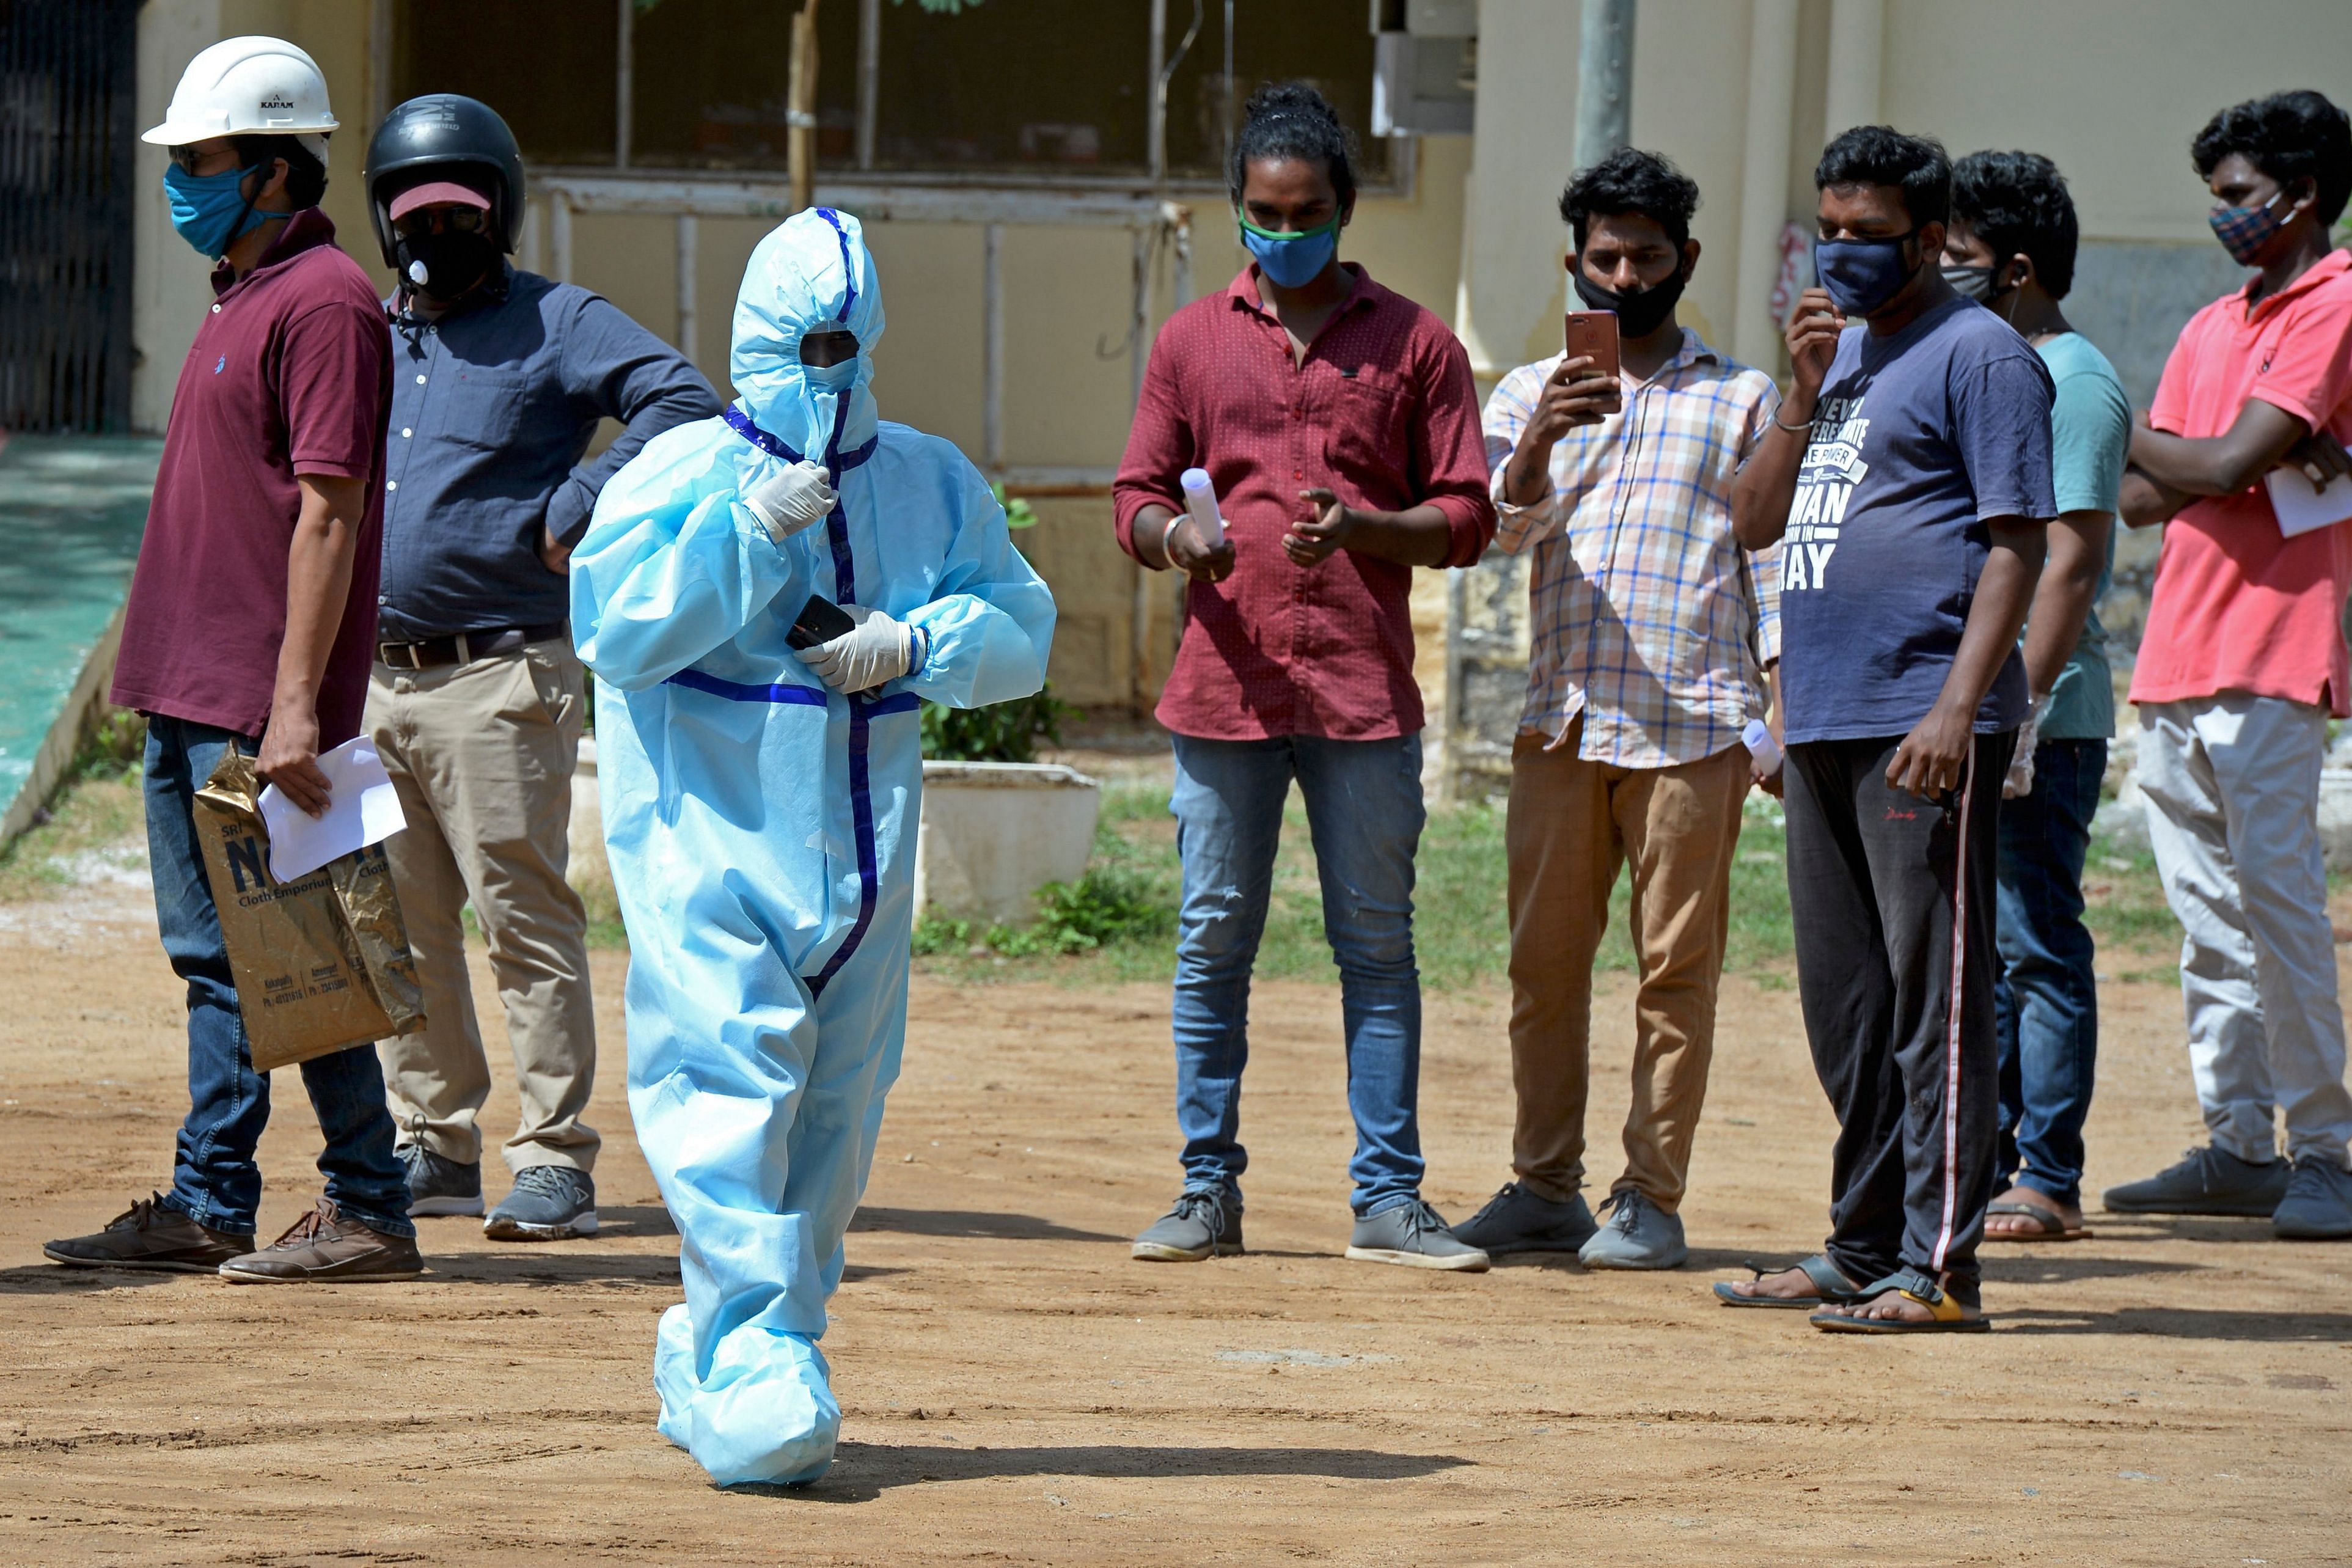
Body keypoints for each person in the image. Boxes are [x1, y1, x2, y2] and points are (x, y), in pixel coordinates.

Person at [571, 207, 1054, 1486]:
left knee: (835, 1121)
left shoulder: (926, 477)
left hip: (864, 868)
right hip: (712, 857)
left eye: (847, 341)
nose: (828, 368)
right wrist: (742, 531)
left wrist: (919, 643)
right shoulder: (673, 475)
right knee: (728, 1098)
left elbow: (1023, 628)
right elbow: (612, 627)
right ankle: (754, 1358)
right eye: (806, 342)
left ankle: (730, 1347)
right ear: (755, 339)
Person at [43, 38, 418, 1282]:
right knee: (226, 958)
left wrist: (295, 707)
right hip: (190, 690)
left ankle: (371, 1200)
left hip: (257, 705)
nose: (180, 182)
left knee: (299, 956)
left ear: (274, 171)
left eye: (199, 159)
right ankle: (213, 1195)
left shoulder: (325, 304)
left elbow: (330, 508)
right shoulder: (239, 296)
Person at [1112, 83, 1498, 1273]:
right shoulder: (1187, 340)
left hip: (1358, 692)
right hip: (1222, 687)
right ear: (1235, 209)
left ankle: (1387, 1198)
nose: (1285, 233)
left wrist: (1368, 529)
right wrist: (1179, 540)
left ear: (1345, 208)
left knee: (1374, 943)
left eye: (1308, 211)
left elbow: (1466, 516)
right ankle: (1202, 1191)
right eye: (1264, 214)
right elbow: (1135, 495)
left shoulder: (1416, 343)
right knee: (1211, 937)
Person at [360, 95, 720, 1242]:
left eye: (459, 213)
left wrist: (585, 493)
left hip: (501, 674)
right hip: (372, 682)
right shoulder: (371, 331)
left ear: (500, 213)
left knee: (524, 923)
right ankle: (437, 1143)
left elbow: (685, 401)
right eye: (415, 214)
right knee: (397, 926)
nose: (436, 234)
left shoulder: (560, 320)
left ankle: (555, 1155)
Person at [1720, 126, 2053, 1332]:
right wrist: (1801, 391)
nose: (1844, 254)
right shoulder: (1841, 357)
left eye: (1870, 235)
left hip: (1917, 721)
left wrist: (1955, 711)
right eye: (1830, 232)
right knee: (1846, 1004)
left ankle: (1941, 1264)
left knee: (1933, 1002)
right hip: (1818, 719)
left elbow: (2019, 541)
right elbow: (1752, 522)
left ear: (1926, 238)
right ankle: (1859, 1243)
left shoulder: (1981, 356)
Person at [1461, 148, 1781, 1272]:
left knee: (1673, 972)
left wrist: (1776, 711)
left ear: (1683, 260)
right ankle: (1544, 1184)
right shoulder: (1523, 392)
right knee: (1541, 968)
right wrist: (1544, 434)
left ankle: (1649, 1195)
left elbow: (1767, 561)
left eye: (1648, 256)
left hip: (1694, 725)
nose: (1626, 275)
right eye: (1605, 257)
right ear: (1575, 265)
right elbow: (1503, 533)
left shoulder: (1743, 396)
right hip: (1561, 717)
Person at [2105, 90, 2352, 1240]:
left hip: (2275, 648)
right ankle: (2240, 1141)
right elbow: (2149, 492)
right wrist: (2207, 460)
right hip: (2173, 651)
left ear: (2302, 198)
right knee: (2206, 919)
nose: (2224, 216)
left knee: (2279, 906)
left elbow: (2229, 453)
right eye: (2216, 199)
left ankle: (2330, 1149)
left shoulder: (2335, 301)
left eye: (2239, 197)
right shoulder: (2212, 325)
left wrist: (2135, 428)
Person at [1941, 151, 2131, 1245]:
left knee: (2038, 941)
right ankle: (1997, 1147)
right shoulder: (1992, 366)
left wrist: (2017, 709)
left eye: (1958, 258)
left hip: (2041, 722)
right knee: (1992, 949)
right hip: (1985, 708)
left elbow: (2067, 562)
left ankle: (2048, 1171)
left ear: (2013, 270)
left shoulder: (2076, 378)